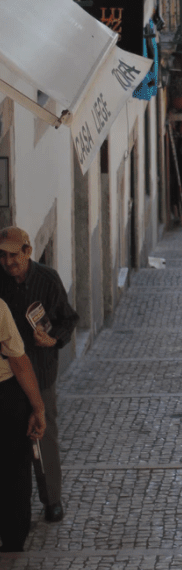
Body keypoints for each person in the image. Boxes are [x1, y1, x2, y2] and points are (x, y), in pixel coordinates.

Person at [0, 227, 76, 529]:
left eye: (13, 255)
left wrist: (54, 339)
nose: (7, 262)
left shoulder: (47, 279)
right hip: (8, 374)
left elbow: (68, 319)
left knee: (43, 436)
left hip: (40, 370)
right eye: (2, 256)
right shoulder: (1, 281)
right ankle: (15, 506)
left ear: (28, 252)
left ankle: (52, 499)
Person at [0, 298, 46, 551]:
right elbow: (18, 361)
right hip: (4, 394)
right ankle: (13, 538)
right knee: (13, 467)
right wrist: (38, 407)